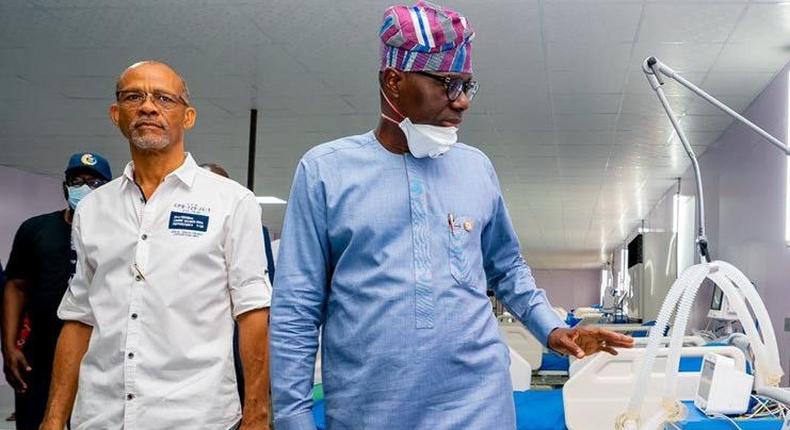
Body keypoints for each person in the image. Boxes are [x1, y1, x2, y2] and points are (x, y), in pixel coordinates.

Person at [269, 2, 634, 429]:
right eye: (447, 84)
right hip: (371, 411)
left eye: (467, 85)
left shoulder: (475, 168)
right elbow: (296, 310)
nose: (462, 103)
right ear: (393, 81)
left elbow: (508, 269)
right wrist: (293, 418)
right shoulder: (325, 172)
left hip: (479, 406)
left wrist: (553, 330)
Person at [38, 61, 272, 430]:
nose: (148, 106)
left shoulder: (231, 202)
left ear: (188, 116)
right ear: (116, 114)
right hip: (100, 416)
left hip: (196, 417)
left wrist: (258, 414)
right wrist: (53, 417)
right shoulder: (94, 209)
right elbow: (79, 318)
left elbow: (254, 313)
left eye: (164, 98)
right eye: (134, 96)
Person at [2, 152, 111, 430]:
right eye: (77, 180)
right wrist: (9, 346)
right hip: (40, 354)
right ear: (65, 186)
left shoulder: (118, 236)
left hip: (98, 355)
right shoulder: (36, 229)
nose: (84, 187)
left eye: (94, 183)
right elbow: (16, 286)